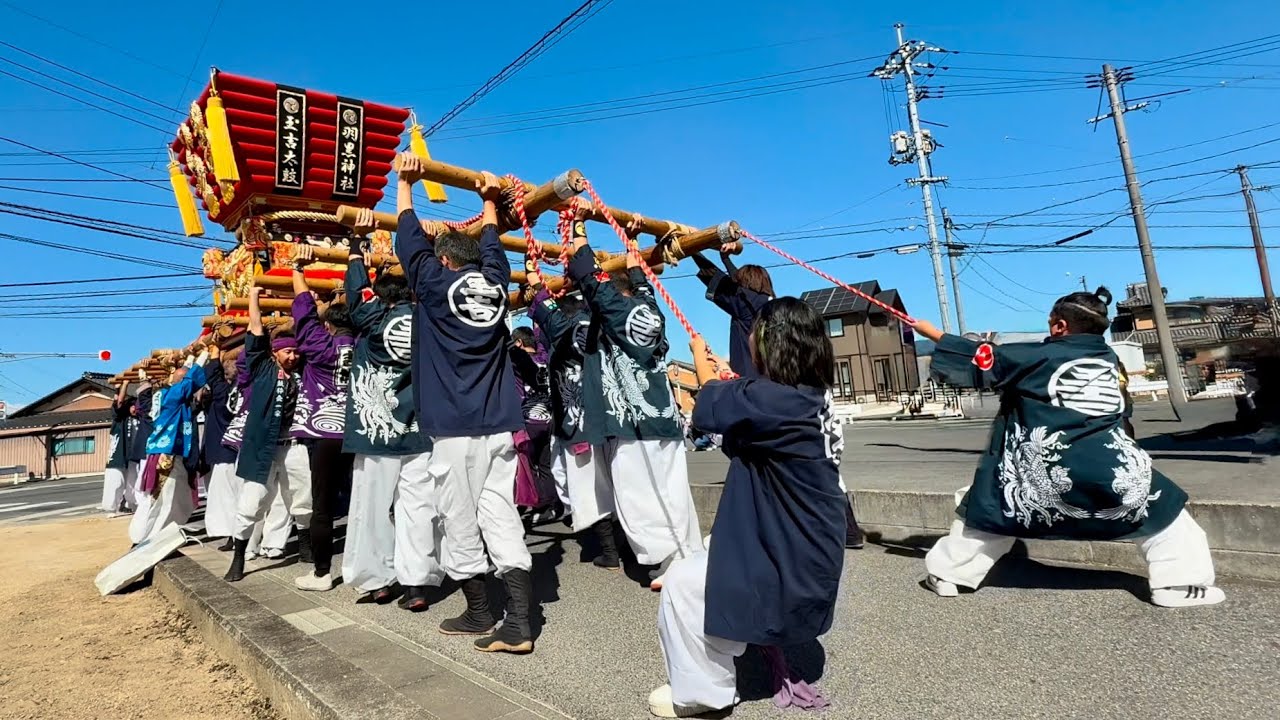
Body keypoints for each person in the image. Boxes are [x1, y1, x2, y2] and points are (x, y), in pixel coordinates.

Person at [911, 287, 1225, 608]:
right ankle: (1178, 583)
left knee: (993, 508)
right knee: (1167, 516)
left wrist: (931, 332)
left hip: (1045, 465)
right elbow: (1123, 413)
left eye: (1051, 322)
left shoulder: (1037, 356)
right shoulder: (1110, 361)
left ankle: (949, 574)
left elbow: (983, 356)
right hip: (1112, 465)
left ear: (1060, 325)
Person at [649, 297, 847, 718]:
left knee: (684, 585)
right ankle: (730, 633)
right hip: (803, 544)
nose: (749, 338)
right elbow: (745, 413)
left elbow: (708, 408)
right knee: (704, 559)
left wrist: (700, 361)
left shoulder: (773, 401)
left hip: (786, 559)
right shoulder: (808, 398)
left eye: (755, 333)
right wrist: (725, 375)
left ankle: (705, 694)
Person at [394, 152, 535, 653]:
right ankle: (520, 622)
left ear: (445, 260)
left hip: (454, 428)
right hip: (498, 423)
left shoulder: (435, 284)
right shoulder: (495, 286)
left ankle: (480, 612)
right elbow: (494, 249)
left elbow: (408, 241)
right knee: (499, 512)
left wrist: (405, 183)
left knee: (458, 517)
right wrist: (489, 201)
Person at [692, 243, 865, 550]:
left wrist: (694, 250)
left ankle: (766, 531)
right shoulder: (780, 312)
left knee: (757, 462)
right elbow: (728, 284)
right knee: (817, 462)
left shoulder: (749, 307)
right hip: (798, 396)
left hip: (761, 398)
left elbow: (717, 281)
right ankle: (847, 530)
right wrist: (723, 258)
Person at [564, 210, 702, 590]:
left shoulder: (614, 310)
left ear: (613, 290)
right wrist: (631, 242)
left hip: (633, 423)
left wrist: (577, 224)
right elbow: (642, 282)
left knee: (638, 497)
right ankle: (686, 553)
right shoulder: (651, 312)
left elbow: (587, 272)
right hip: (665, 418)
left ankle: (668, 561)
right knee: (674, 492)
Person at [341, 210, 437, 609]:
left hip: (376, 428)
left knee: (371, 508)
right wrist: (429, 248)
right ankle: (417, 583)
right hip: (420, 427)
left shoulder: (374, 316)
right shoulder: (428, 318)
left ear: (381, 295)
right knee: (418, 507)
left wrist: (355, 247)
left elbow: (355, 294)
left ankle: (378, 579)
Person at [527, 279, 620, 569]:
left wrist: (537, 285)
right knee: (613, 480)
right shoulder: (601, 324)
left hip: (576, 420)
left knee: (585, 484)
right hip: (609, 416)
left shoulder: (563, 328)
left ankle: (608, 549)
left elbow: (544, 310)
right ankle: (618, 544)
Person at [224, 288, 314, 583]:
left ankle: (305, 546)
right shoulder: (261, 368)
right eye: (288, 352)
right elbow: (255, 328)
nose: (293, 356)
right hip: (262, 446)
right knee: (252, 502)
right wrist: (253, 297)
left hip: (294, 444)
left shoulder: (304, 373)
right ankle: (239, 556)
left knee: (302, 496)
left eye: (296, 352)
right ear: (275, 352)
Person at [290, 245, 356, 592]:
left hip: (324, 431)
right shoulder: (366, 344)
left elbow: (303, 313)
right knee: (365, 501)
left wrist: (297, 269)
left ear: (327, 325)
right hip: (360, 429)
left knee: (322, 505)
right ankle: (369, 569)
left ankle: (321, 572)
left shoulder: (320, 345)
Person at [129, 350, 209, 545]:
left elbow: (186, 380)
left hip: (166, 451)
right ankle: (149, 537)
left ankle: (155, 534)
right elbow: (188, 381)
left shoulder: (162, 396)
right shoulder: (173, 395)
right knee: (163, 498)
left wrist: (190, 359)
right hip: (168, 455)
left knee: (173, 497)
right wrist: (203, 357)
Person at [510, 325, 557, 513]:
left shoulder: (518, 361)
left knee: (528, 466)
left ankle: (537, 502)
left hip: (528, 420)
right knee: (546, 465)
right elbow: (539, 335)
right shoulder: (545, 358)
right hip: (548, 418)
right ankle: (553, 503)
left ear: (519, 343)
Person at [200, 344, 241, 549]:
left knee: (226, 498)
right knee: (235, 496)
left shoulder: (222, 391)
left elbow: (213, 377)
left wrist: (215, 353)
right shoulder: (244, 391)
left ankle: (234, 535)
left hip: (224, 452)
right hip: (235, 450)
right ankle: (235, 535)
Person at [100, 381, 136, 514]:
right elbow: (118, 402)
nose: (135, 409)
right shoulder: (120, 416)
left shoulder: (140, 418)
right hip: (118, 455)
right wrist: (124, 385)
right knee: (115, 483)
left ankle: (129, 505)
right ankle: (111, 508)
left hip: (134, 456)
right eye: (133, 406)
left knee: (133, 484)